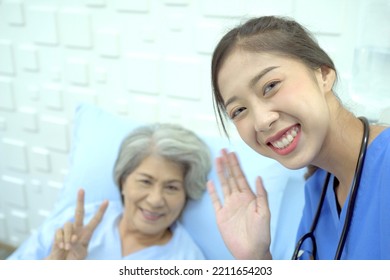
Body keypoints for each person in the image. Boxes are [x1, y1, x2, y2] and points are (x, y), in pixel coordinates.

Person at [207, 15, 390, 260]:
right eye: (239, 111)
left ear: (323, 74)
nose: (262, 121)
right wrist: (255, 258)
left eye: (270, 85)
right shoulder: (318, 190)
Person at [8, 123, 211, 260]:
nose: (156, 200)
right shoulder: (76, 224)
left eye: (172, 187)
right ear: (123, 181)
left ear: (187, 195)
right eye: (145, 181)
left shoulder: (187, 259)